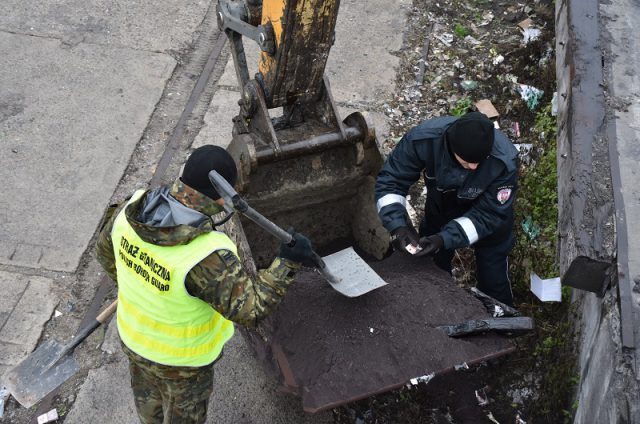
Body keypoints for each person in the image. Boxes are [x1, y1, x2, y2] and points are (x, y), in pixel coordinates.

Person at [95, 145, 315, 424]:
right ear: (222, 199)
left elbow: (105, 254)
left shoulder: (130, 210)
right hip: (182, 364)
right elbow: (252, 310)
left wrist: (144, 280)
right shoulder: (205, 255)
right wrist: (287, 262)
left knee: (149, 409)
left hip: (134, 340)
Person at [375, 111, 519, 306]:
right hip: (440, 210)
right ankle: (439, 308)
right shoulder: (423, 140)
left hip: (488, 223)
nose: (474, 167)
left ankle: (502, 323)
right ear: (450, 146)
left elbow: (489, 214)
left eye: (479, 161)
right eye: (466, 161)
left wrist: (445, 238)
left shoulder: (504, 161)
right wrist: (397, 226)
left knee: (494, 277)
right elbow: (391, 181)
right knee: (431, 269)